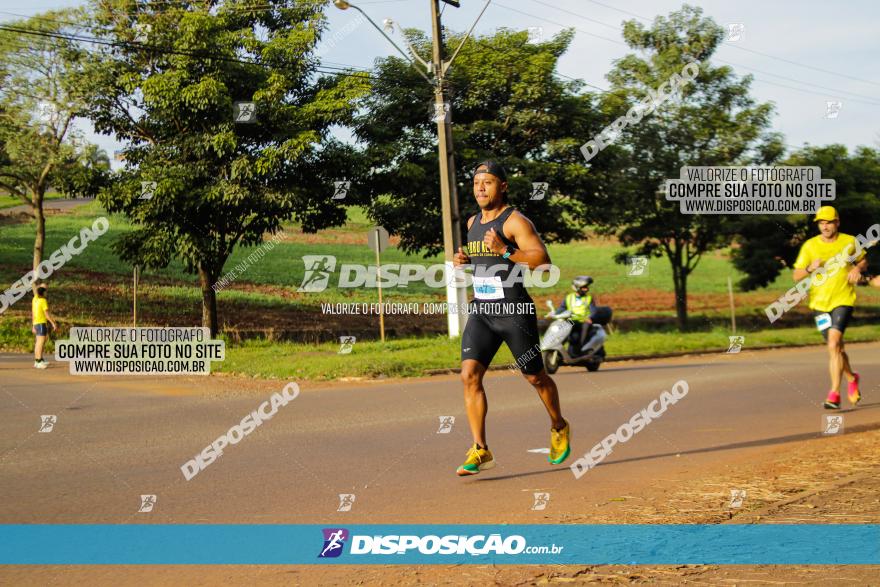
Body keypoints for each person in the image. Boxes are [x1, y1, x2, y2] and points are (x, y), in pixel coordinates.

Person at [452, 160, 570, 476]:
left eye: (488, 182)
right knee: (469, 375)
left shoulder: (515, 222)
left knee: (535, 377)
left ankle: (558, 425)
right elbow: (480, 258)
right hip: (483, 310)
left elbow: (543, 262)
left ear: (502, 186)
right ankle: (480, 449)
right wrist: (464, 260)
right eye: (476, 182)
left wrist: (506, 251)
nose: (480, 187)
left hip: (514, 311)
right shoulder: (471, 222)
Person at [792, 206, 867, 409]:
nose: (825, 226)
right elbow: (796, 275)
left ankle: (834, 394)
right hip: (819, 303)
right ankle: (852, 378)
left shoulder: (850, 241)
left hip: (843, 298)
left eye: (829, 222)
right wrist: (809, 268)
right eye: (821, 223)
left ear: (837, 222)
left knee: (834, 343)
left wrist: (857, 269)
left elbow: (863, 261)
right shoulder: (810, 246)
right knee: (837, 348)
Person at [555, 276, 598, 355]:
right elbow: (561, 308)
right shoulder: (569, 297)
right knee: (562, 330)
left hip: (583, 321)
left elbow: (593, 310)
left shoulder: (589, 298)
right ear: (577, 288)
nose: (587, 289)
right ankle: (558, 348)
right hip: (571, 321)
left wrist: (589, 317)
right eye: (584, 287)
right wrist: (555, 314)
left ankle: (582, 349)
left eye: (587, 287)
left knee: (585, 327)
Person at [32, 285, 58, 369]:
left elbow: (33, 312)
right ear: (43, 292)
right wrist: (53, 323)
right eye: (45, 290)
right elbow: (47, 314)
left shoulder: (35, 299)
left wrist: (33, 325)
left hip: (36, 323)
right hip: (41, 323)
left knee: (38, 342)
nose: (46, 292)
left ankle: (38, 360)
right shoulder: (43, 300)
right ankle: (39, 361)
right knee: (40, 342)